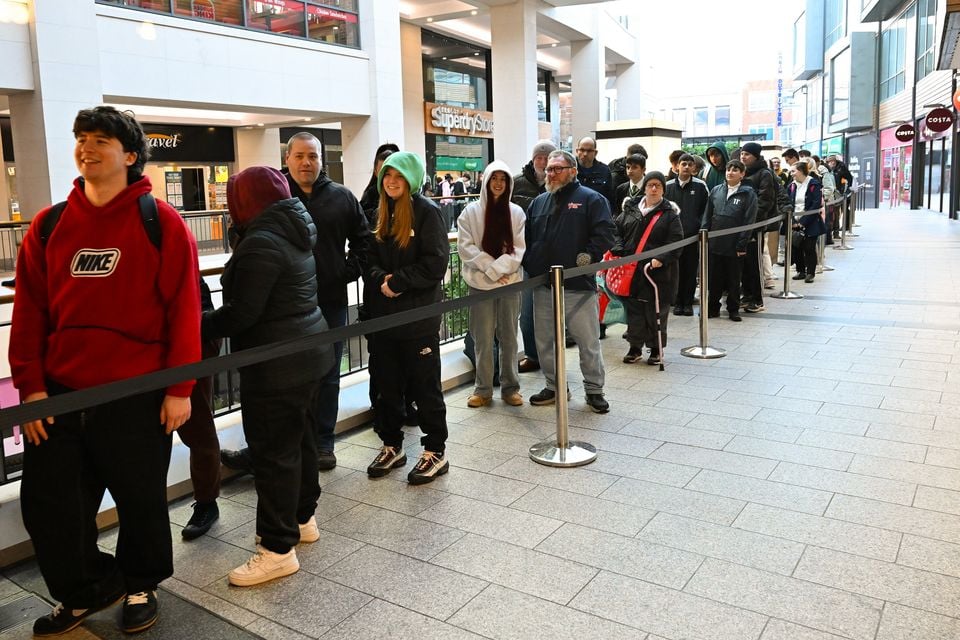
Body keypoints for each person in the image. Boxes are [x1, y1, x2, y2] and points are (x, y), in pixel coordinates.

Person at [10, 106, 200, 635]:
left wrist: (178, 388)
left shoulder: (160, 222)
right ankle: (88, 587)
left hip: (137, 393)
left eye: (101, 140)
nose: (87, 148)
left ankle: (141, 583)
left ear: (130, 155)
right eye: (81, 138)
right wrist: (32, 389)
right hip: (63, 396)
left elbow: (182, 311)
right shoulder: (49, 226)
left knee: (139, 500)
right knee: (50, 507)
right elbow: (30, 313)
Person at [203, 166, 332, 587]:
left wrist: (199, 323)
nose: (227, 205)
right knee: (301, 442)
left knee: (274, 454)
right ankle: (302, 518)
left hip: (276, 365)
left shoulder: (260, 242)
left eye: (232, 196)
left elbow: (243, 313)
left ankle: (277, 549)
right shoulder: (294, 229)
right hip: (308, 353)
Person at [220, 133, 370, 474]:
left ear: (321, 160)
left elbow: (364, 242)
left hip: (329, 303)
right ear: (287, 158)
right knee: (278, 381)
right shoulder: (274, 196)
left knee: (329, 373)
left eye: (313, 156)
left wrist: (341, 274)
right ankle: (267, 449)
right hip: (280, 310)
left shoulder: (342, 198)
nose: (307, 163)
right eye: (300, 156)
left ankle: (322, 443)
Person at [364, 151, 451, 484]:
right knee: (387, 387)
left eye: (398, 176)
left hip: (418, 321)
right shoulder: (379, 215)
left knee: (424, 387)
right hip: (384, 320)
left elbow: (435, 263)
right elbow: (368, 260)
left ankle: (435, 450)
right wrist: (380, 281)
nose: (391, 182)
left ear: (411, 179)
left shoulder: (427, 213)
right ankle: (392, 445)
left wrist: (397, 283)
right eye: (387, 176)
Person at [523, 150, 615, 413]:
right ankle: (554, 386)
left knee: (587, 341)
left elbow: (606, 233)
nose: (551, 173)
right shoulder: (538, 202)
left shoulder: (591, 199)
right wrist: (531, 263)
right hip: (543, 285)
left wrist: (587, 256)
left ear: (573, 171)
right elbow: (528, 239)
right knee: (545, 340)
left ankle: (594, 390)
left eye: (557, 169)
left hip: (578, 286)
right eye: (549, 169)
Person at [457, 161, 526, 408]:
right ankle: (483, 389)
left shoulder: (516, 212)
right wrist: (494, 270)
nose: (498, 183)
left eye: (503, 179)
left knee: (509, 336)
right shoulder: (469, 213)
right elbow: (465, 248)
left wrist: (498, 271)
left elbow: (519, 249)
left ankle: (511, 388)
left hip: (509, 283)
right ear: (486, 181)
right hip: (480, 284)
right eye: (494, 178)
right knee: (482, 338)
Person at [613, 171, 683, 365]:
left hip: (658, 272)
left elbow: (676, 242)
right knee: (635, 310)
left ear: (663, 189)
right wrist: (618, 249)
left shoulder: (670, 214)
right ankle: (634, 347)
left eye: (658, 186)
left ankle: (655, 349)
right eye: (650, 185)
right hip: (632, 269)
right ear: (644, 187)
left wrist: (661, 258)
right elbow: (616, 230)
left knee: (656, 311)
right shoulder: (630, 208)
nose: (653, 189)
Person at [177, 278, 222, 541]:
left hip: (193, 343)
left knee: (198, 426)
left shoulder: (171, 244)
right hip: (149, 351)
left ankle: (207, 501)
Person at [512, 139, 557, 374]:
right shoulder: (517, 183)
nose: (541, 162)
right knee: (527, 312)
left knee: (554, 312)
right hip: (528, 257)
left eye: (546, 158)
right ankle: (532, 355)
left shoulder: (558, 184)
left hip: (556, 259)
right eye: (538, 157)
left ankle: (553, 357)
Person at [702, 159, 758, 322]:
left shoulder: (748, 193)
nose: (730, 172)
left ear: (742, 174)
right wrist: (704, 235)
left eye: (735, 170)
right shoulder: (716, 190)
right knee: (714, 278)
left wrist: (742, 243)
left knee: (734, 278)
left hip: (734, 245)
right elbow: (707, 214)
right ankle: (712, 307)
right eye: (728, 169)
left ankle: (733, 309)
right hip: (715, 242)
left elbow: (749, 220)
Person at [664, 153, 709, 316]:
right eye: (683, 164)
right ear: (677, 166)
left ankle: (687, 303)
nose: (686, 167)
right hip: (674, 238)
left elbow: (706, 210)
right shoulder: (667, 186)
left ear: (694, 168)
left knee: (690, 271)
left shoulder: (700, 186)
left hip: (692, 236)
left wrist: (702, 229)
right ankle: (676, 302)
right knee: (676, 271)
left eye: (690, 164)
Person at [739, 142, 777, 314]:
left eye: (747, 154)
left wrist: (752, 222)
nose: (743, 157)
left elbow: (765, 200)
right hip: (741, 225)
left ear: (755, 155)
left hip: (756, 226)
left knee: (755, 262)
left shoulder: (764, 173)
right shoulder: (743, 172)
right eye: (742, 154)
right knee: (744, 262)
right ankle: (747, 295)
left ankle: (757, 298)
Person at [786, 160, 826, 283]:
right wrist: (793, 221)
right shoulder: (791, 186)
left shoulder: (814, 184)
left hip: (811, 221)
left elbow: (815, 204)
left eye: (794, 171)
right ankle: (801, 271)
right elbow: (787, 203)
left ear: (802, 171)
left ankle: (810, 273)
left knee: (809, 247)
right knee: (796, 247)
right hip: (794, 220)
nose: (791, 173)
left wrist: (803, 222)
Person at [360, 143, 400, 222]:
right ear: (375, 172)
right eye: (384, 173)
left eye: (397, 174)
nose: (391, 180)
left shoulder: (411, 198)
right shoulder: (371, 194)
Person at [575, 136, 614, 208]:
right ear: (577, 151)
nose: (585, 154)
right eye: (582, 150)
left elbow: (609, 198)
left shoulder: (604, 170)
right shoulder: (570, 169)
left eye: (589, 151)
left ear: (595, 153)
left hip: (597, 213)